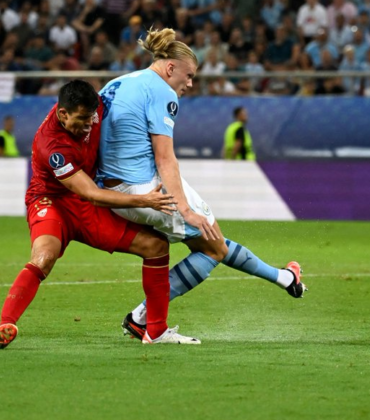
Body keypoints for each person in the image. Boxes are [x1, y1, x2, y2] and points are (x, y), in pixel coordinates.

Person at [97, 28, 306, 341]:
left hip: (114, 188)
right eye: (189, 76)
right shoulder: (163, 91)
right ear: (170, 68)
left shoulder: (117, 83)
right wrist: (184, 210)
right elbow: (166, 158)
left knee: (213, 241)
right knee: (212, 247)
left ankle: (284, 278)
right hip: (144, 189)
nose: (190, 85)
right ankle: (143, 317)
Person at [0, 80, 200, 350]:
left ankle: (155, 332)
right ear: (63, 114)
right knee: (44, 257)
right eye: (82, 119)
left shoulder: (95, 104)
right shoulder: (53, 147)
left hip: (85, 203)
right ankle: (6, 325)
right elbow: (91, 194)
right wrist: (144, 199)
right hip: (52, 200)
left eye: (92, 117)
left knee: (155, 245)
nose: (89, 124)